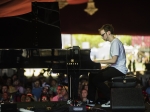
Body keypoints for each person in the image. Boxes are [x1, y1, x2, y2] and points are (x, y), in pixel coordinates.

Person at [87, 24, 128, 107]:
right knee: (92, 74)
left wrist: (98, 61)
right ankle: (90, 100)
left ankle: (111, 99)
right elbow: (114, 61)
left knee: (96, 80)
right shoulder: (114, 42)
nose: (102, 37)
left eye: (103, 35)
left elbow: (113, 60)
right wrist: (105, 67)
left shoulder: (115, 42)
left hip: (119, 70)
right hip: (115, 67)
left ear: (108, 32)